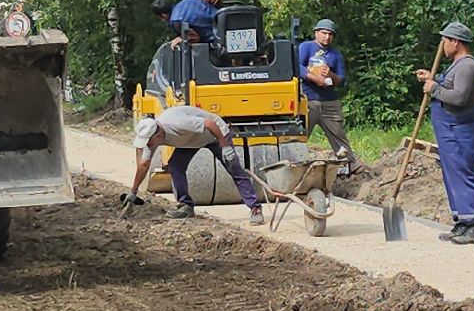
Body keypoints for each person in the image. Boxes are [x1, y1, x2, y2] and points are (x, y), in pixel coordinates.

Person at [127, 105, 264, 226]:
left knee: (234, 169)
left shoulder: (178, 123)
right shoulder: (151, 140)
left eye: (149, 141)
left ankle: (255, 208)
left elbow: (210, 124)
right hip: (190, 141)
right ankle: (186, 206)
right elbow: (144, 165)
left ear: (157, 135)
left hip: (215, 135)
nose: (148, 145)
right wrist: (133, 192)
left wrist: (225, 145)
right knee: (175, 166)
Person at [414, 21, 474, 244]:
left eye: (445, 41)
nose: (443, 46)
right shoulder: (456, 65)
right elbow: (449, 87)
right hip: (449, 132)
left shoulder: (466, 66)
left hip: (459, 131)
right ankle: (462, 222)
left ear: (456, 42)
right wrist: (431, 79)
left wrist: (434, 88)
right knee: (452, 175)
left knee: (462, 174)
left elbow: (460, 97)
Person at [296, 18, 355, 175]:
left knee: (339, 135)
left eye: (330, 34)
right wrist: (315, 76)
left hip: (329, 102)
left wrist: (330, 75)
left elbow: (341, 80)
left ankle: (349, 167)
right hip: (308, 100)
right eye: (324, 33)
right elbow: (297, 67)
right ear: (316, 32)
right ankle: (294, 166)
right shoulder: (306, 47)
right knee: (299, 136)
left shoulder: (335, 55)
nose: (327, 37)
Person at [154, 0, 222, 44]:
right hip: (228, 22)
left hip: (219, 38)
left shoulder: (176, 21)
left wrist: (181, 39)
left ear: (163, 15)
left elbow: (195, 37)